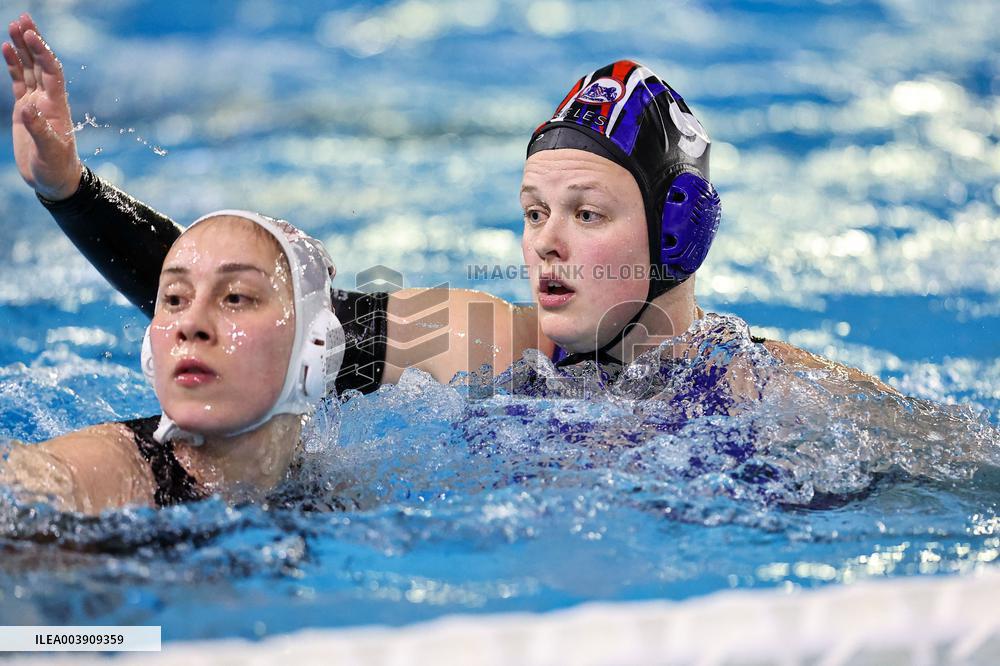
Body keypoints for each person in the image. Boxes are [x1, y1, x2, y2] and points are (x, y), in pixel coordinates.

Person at [3, 14, 895, 405]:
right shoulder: (483, 345)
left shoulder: (772, 392)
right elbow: (244, 317)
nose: (546, 242)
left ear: (677, 233)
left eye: (585, 215)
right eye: (534, 211)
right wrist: (69, 190)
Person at [0, 209, 344, 514]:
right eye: (175, 299)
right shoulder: (106, 477)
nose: (190, 324)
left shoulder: (328, 493)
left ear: (315, 344)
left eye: (235, 297)